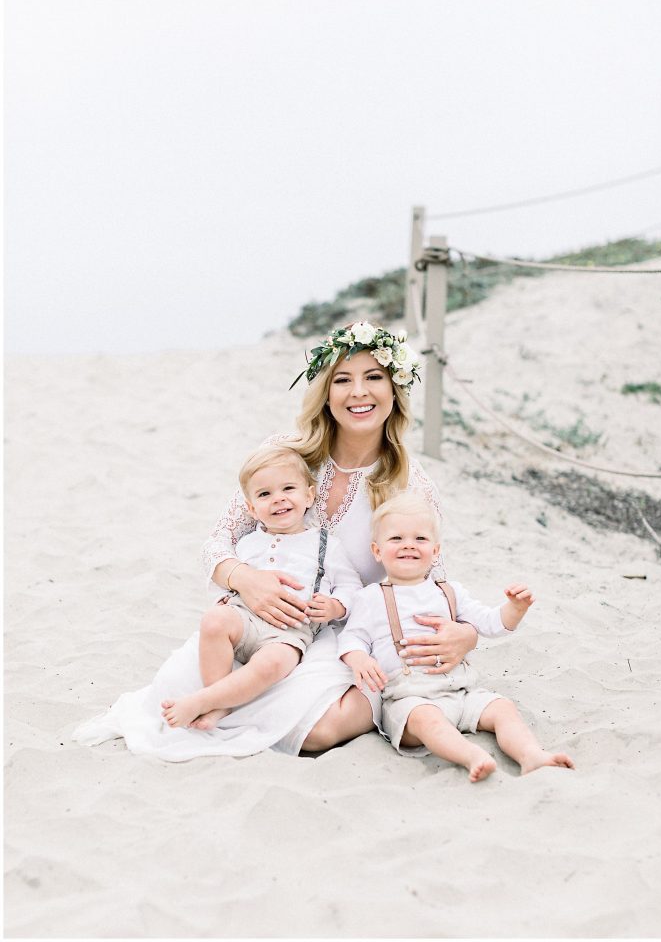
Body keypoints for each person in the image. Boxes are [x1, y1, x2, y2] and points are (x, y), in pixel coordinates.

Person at [73, 320, 478, 760]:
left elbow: (436, 585)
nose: (358, 392)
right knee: (171, 694)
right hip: (256, 616)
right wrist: (245, 579)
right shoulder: (285, 453)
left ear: (395, 390)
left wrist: (466, 636)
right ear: (325, 392)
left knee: (322, 730)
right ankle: (218, 700)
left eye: (373, 378)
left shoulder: (410, 484)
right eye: (342, 380)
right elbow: (216, 543)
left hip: (348, 632)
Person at [338, 492, 575, 781]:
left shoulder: (449, 591)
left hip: (463, 690)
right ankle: (471, 755)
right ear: (377, 551)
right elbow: (352, 637)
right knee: (429, 721)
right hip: (410, 698)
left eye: (420, 539)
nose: (409, 545)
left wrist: (515, 609)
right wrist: (359, 658)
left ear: (435, 551)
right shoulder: (370, 598)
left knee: (503, 708)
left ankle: (531, 756)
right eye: (396, 539)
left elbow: (491, 623)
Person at [160, 444, 362, 730]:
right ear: (252, 508)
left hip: (288, 629)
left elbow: (350, 585)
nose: (278, 500)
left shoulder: (325, 545)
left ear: (309, 495)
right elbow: (229, 582)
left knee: (273, 665)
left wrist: (335, 606)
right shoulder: (247, 543)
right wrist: (226, 598)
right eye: (265, 494)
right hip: (244, 617)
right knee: (214, 621)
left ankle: (206, 701)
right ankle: (220, 701)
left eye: (288, 489)